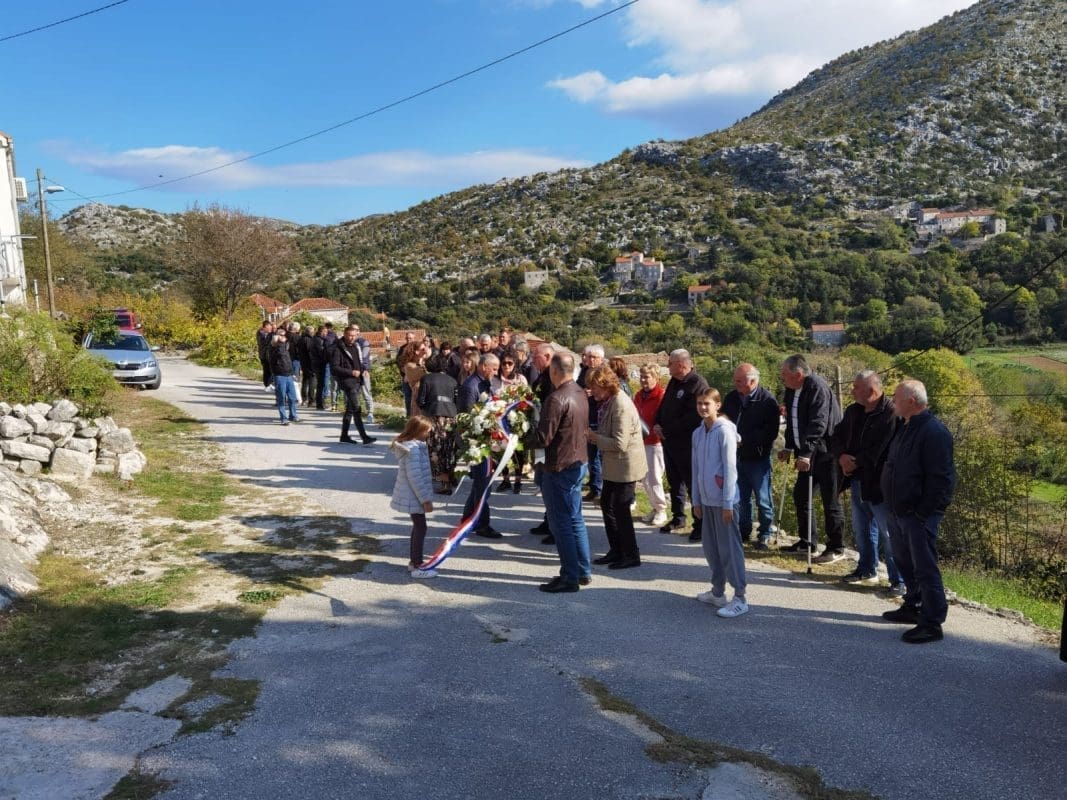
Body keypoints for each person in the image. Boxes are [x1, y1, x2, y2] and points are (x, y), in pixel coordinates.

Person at [879, 379, 956, 644]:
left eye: (896, 398)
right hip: (898, 511)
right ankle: (913, 605)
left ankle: (932, 622)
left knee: (924, 567)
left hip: (918, 515)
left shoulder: (934, 432)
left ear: (911, 401)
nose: (892, 402)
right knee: (904, 562)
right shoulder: (905, 426)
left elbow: (941, 479)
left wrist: (922, 514)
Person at [831, 370, 904, 592]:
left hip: (880, 485)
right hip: (857, 481)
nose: (852, 391)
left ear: (871, 391)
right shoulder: (853, 411)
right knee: (861, 529)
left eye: (856, 387)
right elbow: (836, 436)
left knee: (889, 533)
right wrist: (842, 457)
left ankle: (898, 580)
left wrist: (855, 462)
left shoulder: (891, 413)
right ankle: (866, 569)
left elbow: (880, 450)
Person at [533, 352, 591, 593]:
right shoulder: (579, 392)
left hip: (559, 466)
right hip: (577, 461)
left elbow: (543, 438)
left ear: (554, 371)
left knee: (561, 523)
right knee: (575, 518)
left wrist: (518, 434)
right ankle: (582, 570)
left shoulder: (556, 398)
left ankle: (569, 576)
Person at [778, 355, 845, 560]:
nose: (782, 378)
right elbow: (793, 421)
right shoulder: (792, 389)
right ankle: (808, 542)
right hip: (806, 454)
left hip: (826, 453)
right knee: (801, 495)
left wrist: (806, 453)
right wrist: (789, 447)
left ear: (798, 374)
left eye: (784, 374)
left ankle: (836, 547)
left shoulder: (817, 387)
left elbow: (818, 422)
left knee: (830, 500)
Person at [691, 388, 749, 618]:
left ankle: (740, 597)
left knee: (729, 550)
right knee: (711, 548)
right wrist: (696, 500)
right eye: (699, 403)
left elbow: (730, 468)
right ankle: (717, 592)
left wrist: (727, 503)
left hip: (725, 501)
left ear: (717, 405)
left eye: (707, 403)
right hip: (706, 501)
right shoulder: (697, 433)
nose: (702, 407)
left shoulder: (724, 431)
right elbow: (695, 469)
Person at [586, 365, 646, 570]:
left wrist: (594, 438)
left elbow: (620, 443)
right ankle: (617, 549)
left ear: (604, 384)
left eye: (594, 387)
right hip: (615, 465)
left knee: (620, 509)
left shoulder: (620, 404)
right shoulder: (609, 401)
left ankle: (631, 554)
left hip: (625, 466)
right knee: (607, 504)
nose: (592, 391)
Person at [653, 349, 710, 541]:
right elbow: (664, 406)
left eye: (670, 363)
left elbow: (694, 416)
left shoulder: (697, 383)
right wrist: (657, 422)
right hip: (669, 442)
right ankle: (678, 517)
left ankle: (700, 524)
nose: (667, 366)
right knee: (675, 481)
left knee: (693, 484)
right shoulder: (674, 381)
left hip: (687, 444)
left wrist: (668, 429)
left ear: (680, 364)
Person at [722, 363, 780, 550]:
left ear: (753, 381)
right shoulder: (731, 398)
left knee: (763, 499)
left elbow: (770, 432)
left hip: (758, 459)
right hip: (736, 457)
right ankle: (744, 530)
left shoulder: (768, 401)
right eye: (735, 380)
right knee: (742, 498)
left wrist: (744, 440)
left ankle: (765, 533)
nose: (735, 383)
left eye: (739, 381)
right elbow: (723, 418)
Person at [458, 353, 502, 539]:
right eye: (494, 369)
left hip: (485, 440)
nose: (496, 372)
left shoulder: (484, 383)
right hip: (476, 442)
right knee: (483, 484)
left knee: (481, 483)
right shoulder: (471, 386)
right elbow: (468, 417)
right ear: (484, 366)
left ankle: (468, 519)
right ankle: (482, 525)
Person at [390, 416, 438, 578]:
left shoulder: (414, 446)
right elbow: (415, 478)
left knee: (418, 526)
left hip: (414, 495)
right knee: (420, 527)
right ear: (418, 431)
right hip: (415, 496)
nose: (429, 434)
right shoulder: (413, 450)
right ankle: (417, 565)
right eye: (427, 431)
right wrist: (425, 500)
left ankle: (414, 562)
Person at [416, 353, 459, 495]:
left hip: (433, 415)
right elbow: (456, 400)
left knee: (435, 448)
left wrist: (425, 409)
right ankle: (450, 476)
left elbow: (420, 401)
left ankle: (444, 481)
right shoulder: (452, 380)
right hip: (451, 417)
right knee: (449, 448)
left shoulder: (426, 379)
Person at [528, 343, 558, 542]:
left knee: (549, 484)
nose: (533, 360)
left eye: (536, 357)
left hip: (548, 439)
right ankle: (549, 520)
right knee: (543, 481)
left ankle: (554, 525)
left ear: (547, 357)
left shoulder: (552, 378)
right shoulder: (542, 376)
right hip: (540, 438)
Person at [634, 363, 668, 528]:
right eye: (641, 377)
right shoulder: (638, 395)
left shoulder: (662, 396)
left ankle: (661, 509)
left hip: (655, 442)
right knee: (645, 478)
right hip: (641, 441)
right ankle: (655, 507)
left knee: (654, 478)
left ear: (656, 378)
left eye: (646, 377)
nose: (643, 380)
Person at [330, 325, 376, 445]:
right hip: (348, 382)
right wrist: (351, 372)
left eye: (354, 336)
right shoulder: (338, 349)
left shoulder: (356, 346)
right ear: (345, 335)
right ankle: (364, 437)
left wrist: (364, 370)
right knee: (356, 409)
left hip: (357, 381)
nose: (352, 338)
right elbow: (334, 368)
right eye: (350, 335)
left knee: (350, 410)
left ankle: (344, 436)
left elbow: (359, 362)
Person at [493, 348, 530, 494]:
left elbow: (526, 398)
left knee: (517, 451)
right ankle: (505, 479)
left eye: (510, 363)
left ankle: (518, 480)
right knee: (501, 450)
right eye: (504, 363)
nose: (506, 366)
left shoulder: (520, 379)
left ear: (515, 364)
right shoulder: (495, 380)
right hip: (499, 419)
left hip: (516, 419)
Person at [577, 344, 606, 502]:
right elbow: (577, 387)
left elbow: (608, 393)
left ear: (601, 359)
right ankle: (595, 487)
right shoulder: (584, 371)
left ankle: (600, 489)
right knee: (591, 456)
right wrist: (582, 392)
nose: (591, 360)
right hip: (587, 416)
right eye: (589, 357)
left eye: (594, 357)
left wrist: (594, 393)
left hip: (600, 418)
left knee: (598, 456)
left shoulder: (604, 373)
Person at [268, 329, 299, 425]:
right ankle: (283, 418)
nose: (284, 337)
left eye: (284, 335)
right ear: (276, 336)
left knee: (292, 397)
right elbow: (280, 354)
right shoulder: (273, 348)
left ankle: (293, 415)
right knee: (281, 397)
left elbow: (288, 361)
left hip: (288, 375)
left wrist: (292, 373)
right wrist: (279, 342)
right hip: (280, 375)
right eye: (281, 335)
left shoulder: (284, 346)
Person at [351, 325, 375, 424]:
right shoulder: (347, 342)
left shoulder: (363, 342)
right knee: (353, 393)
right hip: (352, 372)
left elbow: (365, 357)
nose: (354, 332)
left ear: (358, 331)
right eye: (352, 330)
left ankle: (370, 413)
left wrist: (365, 369)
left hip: (363, 371)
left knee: (366, 392)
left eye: (355, 330)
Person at [299, 326, 320, 408]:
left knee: (305, 380)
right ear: (311, 332)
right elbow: (310, 353)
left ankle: (304, 399)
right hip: (310, 363)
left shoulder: (301, 339)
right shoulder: (309, 340)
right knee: (312, 381)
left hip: (303, 363)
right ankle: (311, 400)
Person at [256, 321, 275, 391]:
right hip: (264, 355)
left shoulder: (266, 333)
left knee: (269, 370)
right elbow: (265, 344)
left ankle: (269, 384)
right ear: (265, 327)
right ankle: (267, 384)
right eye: (269, 327)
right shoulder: (261, 334)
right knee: (267, 370)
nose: (270, 329)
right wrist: (271, 333)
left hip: (266, 355)